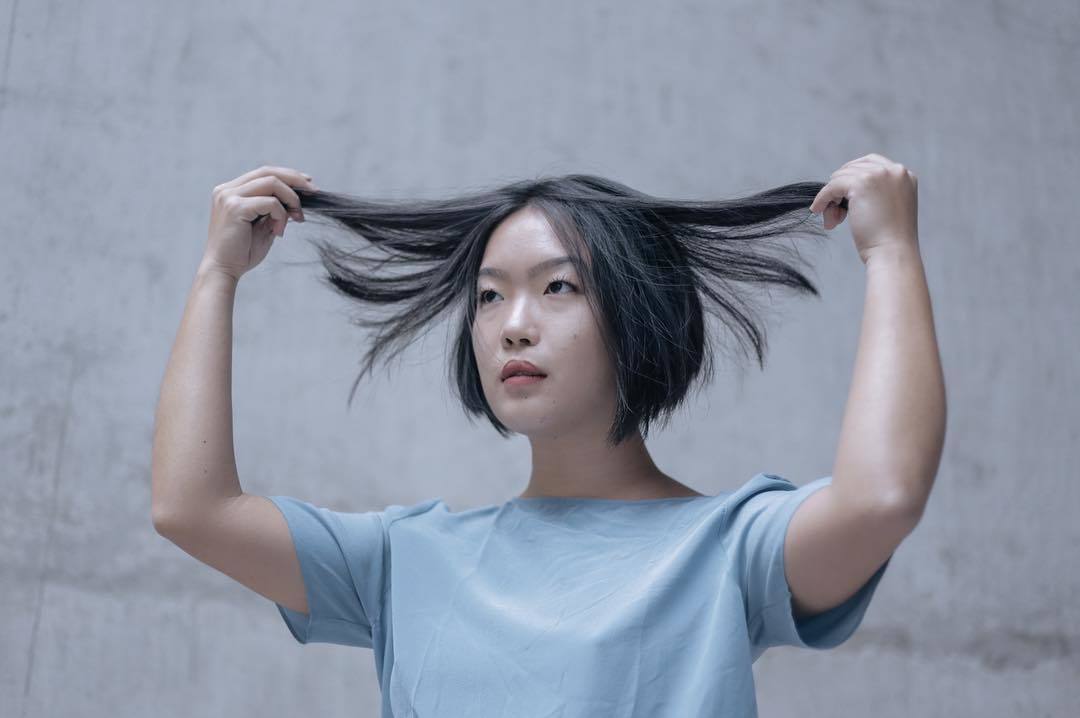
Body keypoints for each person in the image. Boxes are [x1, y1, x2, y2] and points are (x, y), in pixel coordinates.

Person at [152, 159, 942, 716]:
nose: (513, 326)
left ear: (640, 314)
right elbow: (192, 509)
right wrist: (216, 274)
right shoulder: (405, 560)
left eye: (557, 287)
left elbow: (881, 498)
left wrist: (890, 251)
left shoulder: (729, 549)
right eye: (489, 298)